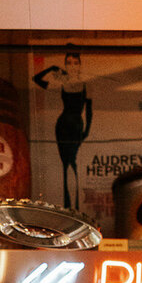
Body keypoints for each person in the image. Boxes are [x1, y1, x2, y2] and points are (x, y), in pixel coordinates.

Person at [33, 47, 93, 211]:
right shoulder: (61, 82)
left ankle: (75, 206)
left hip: (76, 125)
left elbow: (89, 110)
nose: (72, 66)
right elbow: (37, 79)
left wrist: (86, 131)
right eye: (68, 63)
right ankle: (67, 206)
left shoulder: (85, 84)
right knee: (65, 164)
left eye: (75, 62)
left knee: (73, 163)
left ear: (79, 65)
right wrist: (51, 69)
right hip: (62, 124)